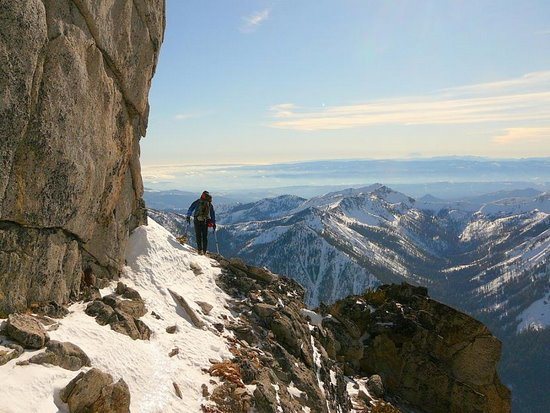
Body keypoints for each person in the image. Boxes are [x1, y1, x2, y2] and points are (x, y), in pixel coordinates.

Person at [186, 191, 216, 255]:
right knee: (205, 236)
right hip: (205, 221)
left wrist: (188, 216)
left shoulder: (198, 202)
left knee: (198, 235)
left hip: (197, 220)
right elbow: (212, 214)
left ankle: (200, 250)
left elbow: (191, 208)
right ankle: (204, 251)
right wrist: (213, 223)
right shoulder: (209, 204)